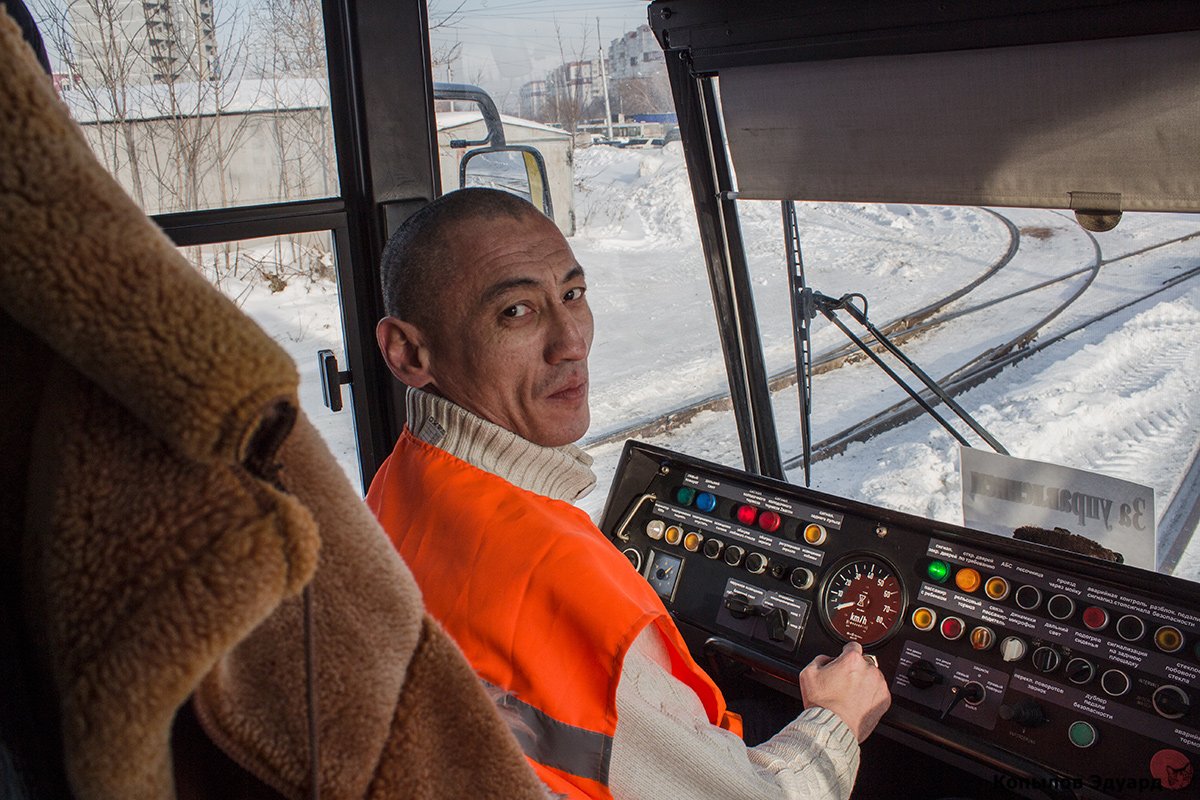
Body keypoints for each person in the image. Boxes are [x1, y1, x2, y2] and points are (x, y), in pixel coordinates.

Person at [366, 187, 891, 800]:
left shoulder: (404, 481)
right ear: (407, 352)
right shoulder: (574, 602)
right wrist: (839, 719)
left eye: (572, 295)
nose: (571, 342)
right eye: (516, 311)